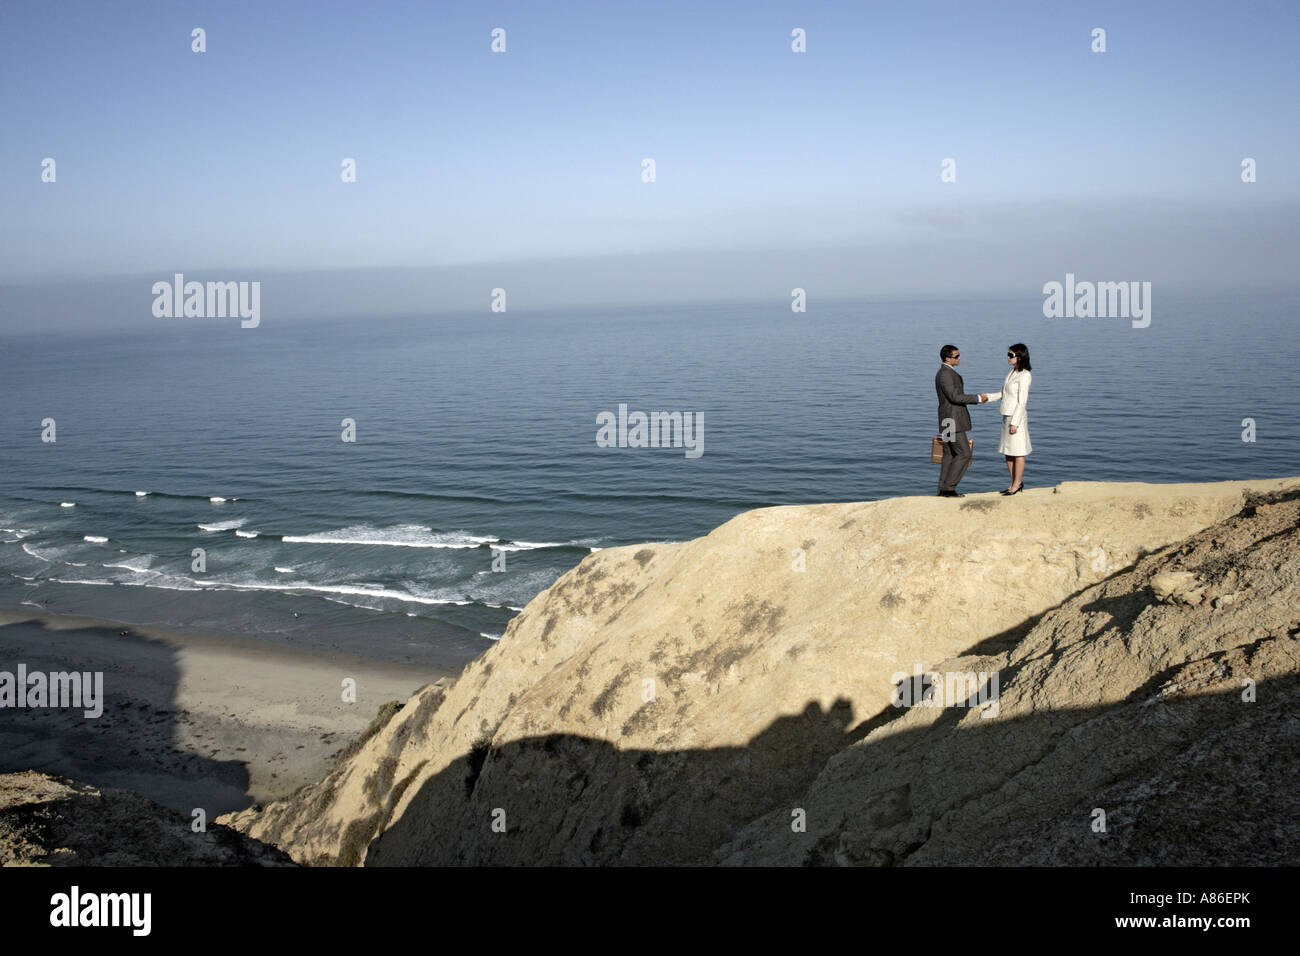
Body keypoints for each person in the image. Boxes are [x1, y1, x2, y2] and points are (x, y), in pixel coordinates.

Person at [934, 344, 990, 498]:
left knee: (950, 454)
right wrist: (978, 398)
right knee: (964, 453)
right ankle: (948, 488)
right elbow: (954, 397)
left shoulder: (946, 373)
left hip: (947, 419)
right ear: (947, 358)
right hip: (952, 420)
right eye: (956, 356)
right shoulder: (945, 374)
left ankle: (942, 488)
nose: (960, 358)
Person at [983, 343, 1032, 495]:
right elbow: (1004, 394)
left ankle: (1017, 484)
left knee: (1018, 452)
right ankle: (1013, 483)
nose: (1008, 357)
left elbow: (1022, 401)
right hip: (1006, 415)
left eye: (1011, 355)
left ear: (1019, 356)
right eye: (1008, 354)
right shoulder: (1012, 373)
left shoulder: (1025, 375)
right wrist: (987, 397)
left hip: (1016, 418)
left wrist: (1015, 423)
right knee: (1008, 452)